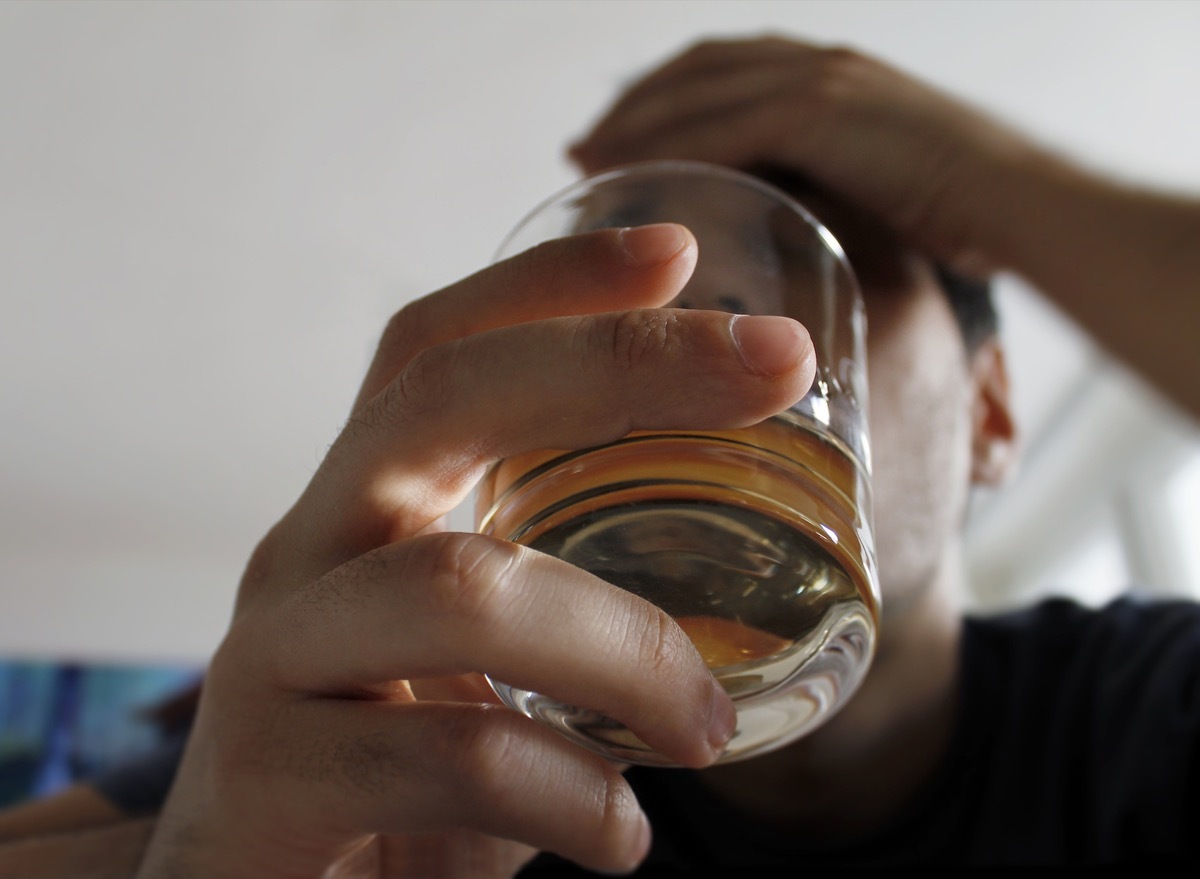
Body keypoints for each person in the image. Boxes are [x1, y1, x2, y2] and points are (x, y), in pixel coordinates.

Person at [1, 35, 1198, 876]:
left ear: (992, 418)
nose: (703, 340)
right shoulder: (409, 755)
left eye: (812, 290)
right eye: (650, 302)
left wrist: (972, 169)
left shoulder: (1146, 708)